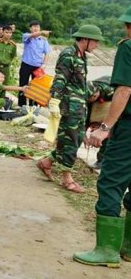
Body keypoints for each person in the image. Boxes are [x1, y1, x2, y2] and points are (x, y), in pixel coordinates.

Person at [73, 9, 131, 268]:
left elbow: (125, 89)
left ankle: (106, 250)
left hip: (129, 129)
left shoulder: (128, 48)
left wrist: (105, 127)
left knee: (110, 182)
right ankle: (128, 248)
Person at [35, 25, 103, 193]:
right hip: (69, 106)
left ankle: (47, 162)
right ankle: (67, 179)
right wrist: (54, 101)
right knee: (71, 141)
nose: (97, 45)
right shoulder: (69, 54)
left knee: (75, 138)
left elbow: (78, 83)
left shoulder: (81, 55)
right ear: (85, 39)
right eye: (95, 41)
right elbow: (60, 79)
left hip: (79, 106)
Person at [18, 21, 51, 108]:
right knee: (23, 84)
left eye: (37, 27)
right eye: (34, 27)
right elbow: (32, 36)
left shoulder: (43, 40)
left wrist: (44, 65)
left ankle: (34, 104)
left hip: (38, 66)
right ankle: (22, 104)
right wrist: (42, 32)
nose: (36, 28)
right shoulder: (27, 36)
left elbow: (47, 53)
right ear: (30, 28)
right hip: (26, 64)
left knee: (36, 86)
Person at [86, 77, 115, 169]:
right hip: (103, 106)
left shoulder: (110, 92)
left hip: (116, 108)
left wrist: (104, 126)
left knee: (107, 132)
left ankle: (102, 160)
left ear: (95, 95)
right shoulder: (86, 93)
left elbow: (119, 106)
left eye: (92, 97)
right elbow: (86, 113)